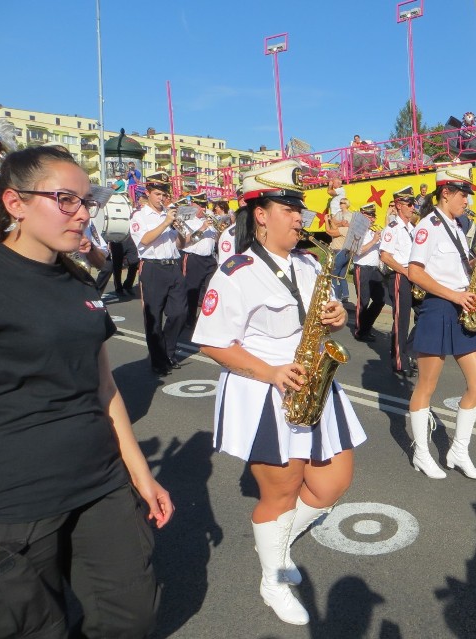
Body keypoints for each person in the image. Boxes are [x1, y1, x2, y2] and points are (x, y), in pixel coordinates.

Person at [0, 146, 173, 638]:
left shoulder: (77, 281)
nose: (82, 213)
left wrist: (141, 475)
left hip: (100, 483)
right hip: (15, 504)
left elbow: (105, 385)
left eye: (86, 201)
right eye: (65, 199)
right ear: (15, 203)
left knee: (132, 616)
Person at [193, 160, 365, 627]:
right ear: (260, 214)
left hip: (313, 381)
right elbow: (211, 341)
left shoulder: (310, 263)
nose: (299, 216)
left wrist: (336, 316)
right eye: (288, 207)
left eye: (299, 207)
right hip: (263, 387)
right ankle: (273, 578)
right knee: (283, 492)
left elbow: (324, 318)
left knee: (333, 483)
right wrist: (270, 372)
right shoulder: (236, 271)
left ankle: (278, 538)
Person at [407, 163, 476, 480]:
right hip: (439, 308)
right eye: (463, 195)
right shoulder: (428, 225)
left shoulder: (457, 226)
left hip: (461, 307)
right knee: (427, 386)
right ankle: (422, 453)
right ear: (446, 193)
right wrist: (454, 296)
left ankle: (458, 451)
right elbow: (415, 272)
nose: (467, 201)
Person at [129, 171, 190, 375]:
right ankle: (158, 360)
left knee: (181, 313)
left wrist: (181, 230)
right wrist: (165, 223)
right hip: (153, 267)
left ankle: (168, 351)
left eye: (164, 194)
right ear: (148, 193)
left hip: (173, 265)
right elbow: (144, 240)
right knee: (153, 317)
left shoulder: (169, 215)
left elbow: (181, 244)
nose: (162, 198)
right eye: (157, 194)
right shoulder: (139, 216)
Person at [380, 186, 418, 377]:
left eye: (414, 204)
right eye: (410, 204)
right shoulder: (392, 228)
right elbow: (385, 256)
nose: (413, 207)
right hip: (399, 275)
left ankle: (408, 351)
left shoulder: (412, 228)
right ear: (398, 205)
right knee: (401, 319)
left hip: (413, 276)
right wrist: (404, 271)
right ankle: (399, 360)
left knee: (425, 314)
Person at [351, 203, 385, 342]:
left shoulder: (374, 231)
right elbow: (356, 251)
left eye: (373, 216)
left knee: (380, 300)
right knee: (363, 301)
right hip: (362, 268)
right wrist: (374, 241)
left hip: (375, 270)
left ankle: (366, 326)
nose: (371, 219)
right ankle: (360, 331)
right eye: (368, 215)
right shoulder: (357, 231)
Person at [182, 199, 217, 329]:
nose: (202, 209)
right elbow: (186, 241)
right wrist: (202, 228)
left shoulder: (209, 220)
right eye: (199, 206)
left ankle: (205, 319)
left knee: (212, 290)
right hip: (194, 258)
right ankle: (189, 319)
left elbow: (215, 239)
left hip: (210, 259)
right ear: (192, 206)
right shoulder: (188, 221)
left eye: (204, 206)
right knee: (192, 291)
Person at [325, 197, 353, 303]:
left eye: (342, 203)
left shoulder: (344, 229)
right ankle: (345, 294)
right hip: (346, 253)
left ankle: (336, 295)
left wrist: (326, 221)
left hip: (339, 252)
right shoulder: (347, 229)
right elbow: (335, 226)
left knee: (332, 275)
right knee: (342, 276)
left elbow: (329, 231)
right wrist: (332, 221)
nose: (342, 221)